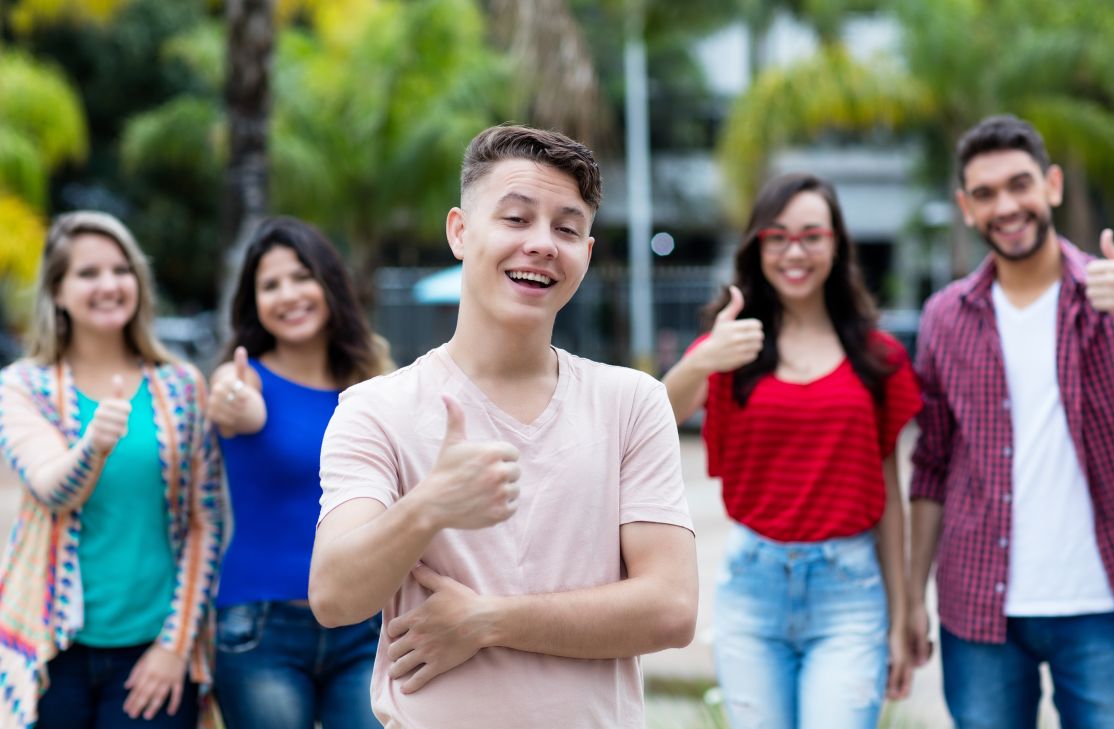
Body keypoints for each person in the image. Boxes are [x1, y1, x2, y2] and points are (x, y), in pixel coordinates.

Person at [308, 124, 698, 729]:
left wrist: (489, 620)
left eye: (567, 229)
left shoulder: (632, 402)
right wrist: (430, 506)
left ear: (586, 256)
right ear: (460, 231)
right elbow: (334, 597)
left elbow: (671, 608)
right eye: (516, 219)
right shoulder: (375, 408)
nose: (542, 244)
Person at [906, 114, 1114, 728]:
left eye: (1020, 185)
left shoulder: (1111, 294)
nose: (1006, 206)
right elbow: (931, 465)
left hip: (1101, 603)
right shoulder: (945, 317)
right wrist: (912, 597)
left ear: (1053, 186)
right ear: (965, 207)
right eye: (985, 194)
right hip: (979, 607)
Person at [662, 173, 920, 728]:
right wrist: (705, 358)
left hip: (850, 593)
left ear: (836, 243)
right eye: (777, 237)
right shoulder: (733, 345)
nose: (793, 252)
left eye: (811, 236)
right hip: (753, 590)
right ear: (758, 247)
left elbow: (889, 496)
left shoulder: (877, 355)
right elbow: (652, 419)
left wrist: (901, 617)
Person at [0, 211, 224, 728]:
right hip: (52, 655)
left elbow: (204, 520)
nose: (109, 285)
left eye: (121, 270)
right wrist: (92, 447)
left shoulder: (182, 387)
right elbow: (54, 489)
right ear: (56, 292)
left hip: (153, 654)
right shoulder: (23, 386)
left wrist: (175, 646)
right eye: (87, 273)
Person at [206, 216, 392, 729]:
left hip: (364, 624)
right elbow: (234, 405)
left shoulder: (374, 385)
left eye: (301, 276)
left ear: (329, 283)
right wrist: (231, 400)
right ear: (254, 302)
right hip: (261, 627)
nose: (288, 294)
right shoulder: (244, 379)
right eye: (270, 285)